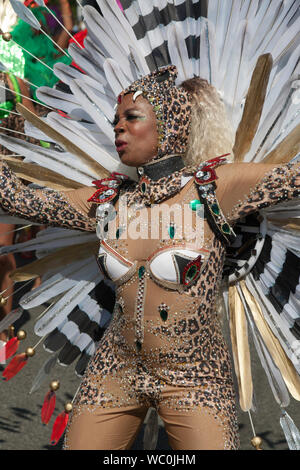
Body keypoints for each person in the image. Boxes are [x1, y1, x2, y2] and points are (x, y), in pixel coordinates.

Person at [0, 65, 299, 450]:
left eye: (132, 117)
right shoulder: (109, 201)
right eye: (115, 120)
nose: (118, 128)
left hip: (194, 377)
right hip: (115, 370)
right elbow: (19, 200)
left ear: (169, 125)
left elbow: (291, 177)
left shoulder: (215, 190)